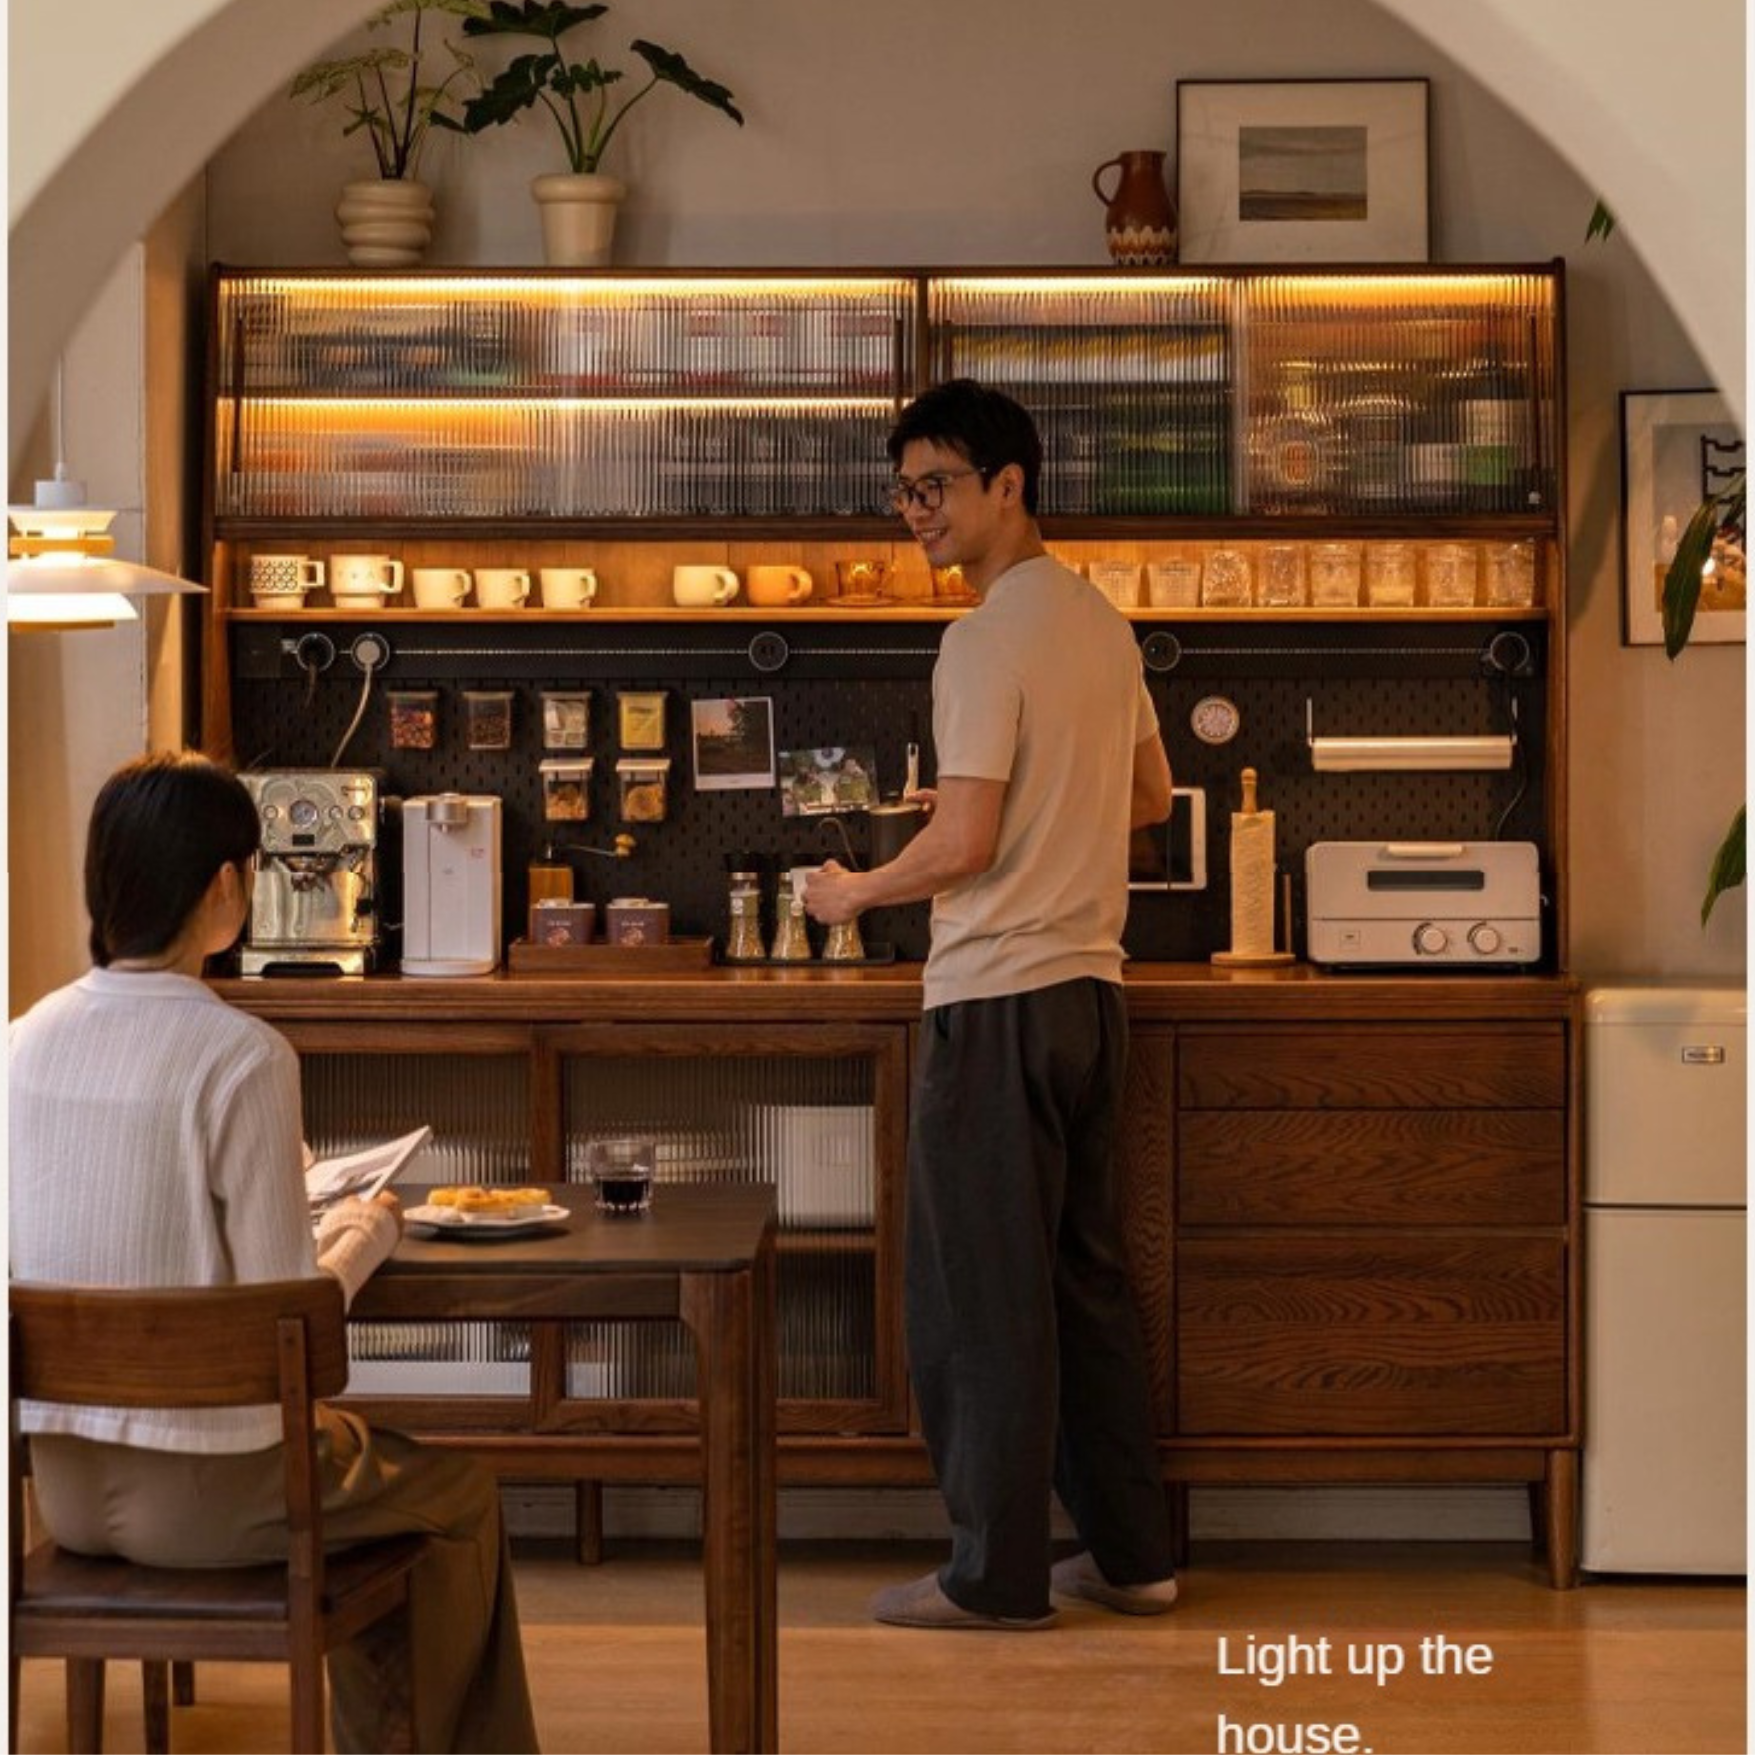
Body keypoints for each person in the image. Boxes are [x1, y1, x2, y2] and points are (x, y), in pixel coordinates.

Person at [10, 752, 540, 1753]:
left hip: (66, 1492)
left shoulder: (20, 1043)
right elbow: (286, 1324)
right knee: (460, 1496)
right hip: (210, 1496)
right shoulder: (241, 1055)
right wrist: (362, 1232)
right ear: (223, 885)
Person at [805, 379, 1180, 1630]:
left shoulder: (980, 638)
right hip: (1090, 996)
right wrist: (1021, 820)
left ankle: (994, 1577)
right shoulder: (1099, 621)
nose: (915, 511)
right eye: (903, 489)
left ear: (1008, 484)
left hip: (996, 999)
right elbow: (1147, 800)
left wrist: (859, 891)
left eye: (937, 486)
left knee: (981, 1295)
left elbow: (961, 845)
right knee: (1085, 1283)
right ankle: (1135, 1559)